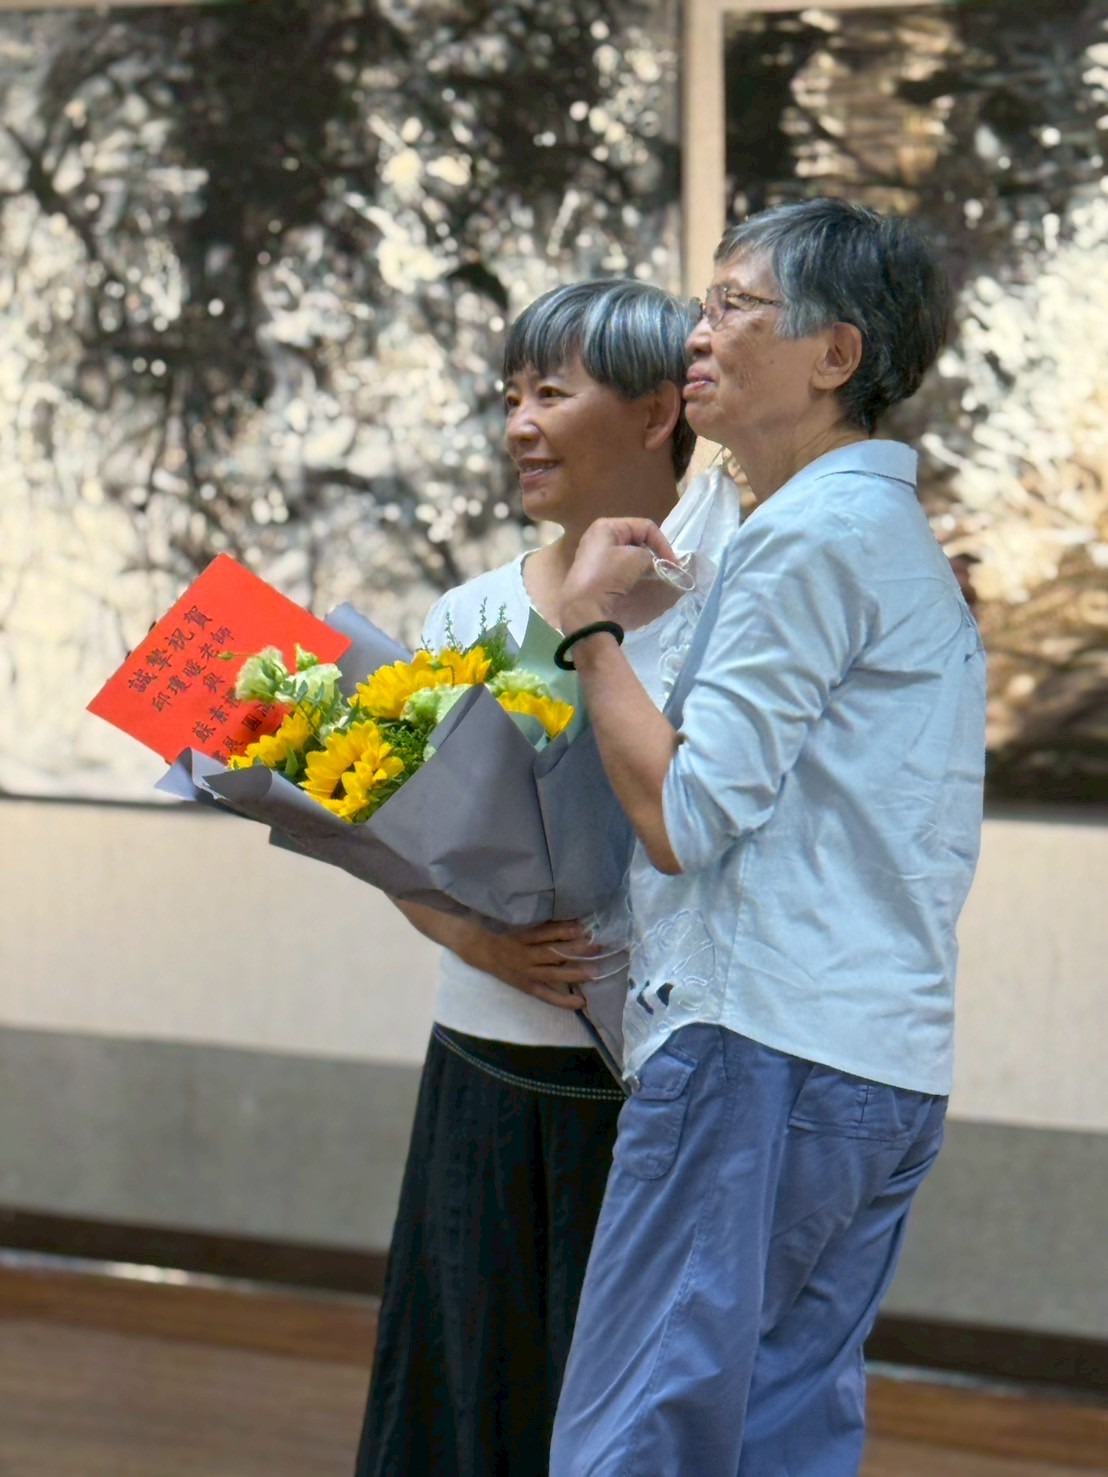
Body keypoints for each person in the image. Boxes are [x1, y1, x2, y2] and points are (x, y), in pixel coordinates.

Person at [548, 198, 987, 1476]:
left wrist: (590, 633)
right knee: (774, 1437)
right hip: (875, 1060)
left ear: (836, 355)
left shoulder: (807, 535)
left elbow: (684, 816)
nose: (698, 334)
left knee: (640, 1437)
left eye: (735, 306)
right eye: (704, 304)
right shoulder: (877, 533)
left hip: (758, 1049)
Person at [354, 278, 741, 1477]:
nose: (518, 423)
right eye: (510, 394)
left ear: (655, 413)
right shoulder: (470, 610)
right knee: (465, 1400)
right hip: (479, 1063)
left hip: (650, 1085)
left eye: (551, 393)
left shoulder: (729, 608)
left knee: (616, 1414)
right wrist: (474, 939)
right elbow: (391, 832)